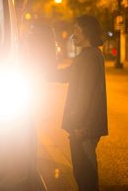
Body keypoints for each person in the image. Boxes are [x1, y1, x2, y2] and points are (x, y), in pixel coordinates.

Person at [52, 15, 108, 191]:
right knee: (82, 172)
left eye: (77, 30)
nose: (73, 34)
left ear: (87, 32)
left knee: (85, 174)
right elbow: (65, 76)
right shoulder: (86, 55)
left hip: (84, 128)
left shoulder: (89, 57)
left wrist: (78, 126)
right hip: (83, 126)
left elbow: (85, 95)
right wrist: (42, 70)